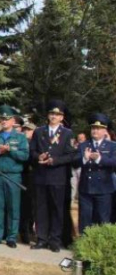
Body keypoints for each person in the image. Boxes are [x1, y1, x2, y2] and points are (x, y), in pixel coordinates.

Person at [29, 100, 77, 252]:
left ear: (62, 117)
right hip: (41, 176)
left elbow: (71, 156)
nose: (54, 117)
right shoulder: (39, 131)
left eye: (57, 114)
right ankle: (41, 238)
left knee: (56, 209)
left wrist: (55, 160)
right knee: (41, 209)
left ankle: (55, 240)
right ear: (48, 115)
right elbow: (32, 152)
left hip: (58, 177)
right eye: (52, 114)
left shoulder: (67, 133)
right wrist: (38, 157)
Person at [0, 106, 29, 248]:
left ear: (13, 120)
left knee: (13, 207)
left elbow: (25, 156)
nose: (3, 121)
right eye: (2, 119)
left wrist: (10, 150)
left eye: (6, 119)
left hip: (13, 176)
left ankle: (11, 237)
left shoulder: (20, 137)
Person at [75, 114, 116, 234]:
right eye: (93, 128)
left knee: (103, 220)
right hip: (86, 189)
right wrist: (84, 159)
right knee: (85, 220)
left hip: (104, 189)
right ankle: (84, 247)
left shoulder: (112, 146)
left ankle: (101, 249)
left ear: (105, 131)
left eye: (98, 128)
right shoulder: (84, 145)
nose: (95, 130)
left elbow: (114, 161)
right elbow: (74, 162)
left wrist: (99, 159)